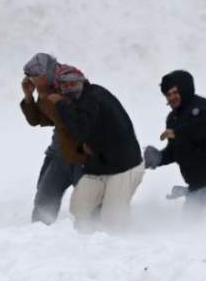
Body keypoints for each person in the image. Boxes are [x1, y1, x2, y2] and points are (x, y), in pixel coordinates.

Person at [51, 64, 144, 231]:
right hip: (99, 165)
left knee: (113, 220)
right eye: (65, 85)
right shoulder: (83, 100)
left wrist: (61, 105)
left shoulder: (92, 97)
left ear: (83, 81)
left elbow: (80, 128)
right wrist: (82, 147)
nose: (69, 88)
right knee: (79, 207)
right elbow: (91, 130)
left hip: (124, 167)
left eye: (73, 83)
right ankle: (87, 241)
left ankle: (129, 240)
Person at [144, 71, 206, 216]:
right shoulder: (173, 119)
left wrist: (177, 133)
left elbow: (204, 128)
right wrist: (159, 157)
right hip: (200, 184)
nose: (172, 97)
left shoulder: (200, 108)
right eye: (168, 94)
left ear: (185, 89)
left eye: (175, 92)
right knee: (189, 225)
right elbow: (177, 149)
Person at [20, 53, 83, 225]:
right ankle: (40, 238)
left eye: (36, 77)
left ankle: (92, 240)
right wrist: (29, 97)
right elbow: (37, 120)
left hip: (82, 154)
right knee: (44, 200)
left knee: (87, 207)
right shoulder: (47, 88)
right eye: (31, 78)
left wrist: (42, 94)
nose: (33, 81)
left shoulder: (68, 82)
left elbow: (68, 121)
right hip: (59, 153)